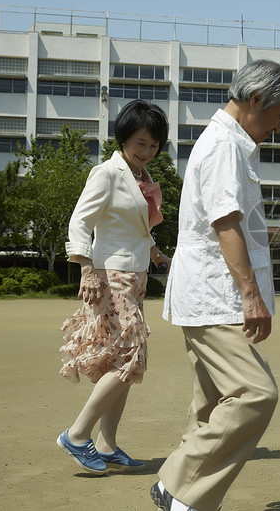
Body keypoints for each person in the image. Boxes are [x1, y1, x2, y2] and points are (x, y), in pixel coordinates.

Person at [150, 59, 280, 511]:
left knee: (211, 402)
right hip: (214, 296)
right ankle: (178, 487)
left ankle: (186, 498)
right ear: (256, 101)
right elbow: (225, 223)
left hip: (211, 295)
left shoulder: (232, 143)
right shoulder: (223, 146)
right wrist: (250, 296)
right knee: (256, 393)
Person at [57, 99, 172, 475]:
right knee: (129, 359)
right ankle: (76, 434)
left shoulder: (141, 180)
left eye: (154, 145)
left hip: (134, 276)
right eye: (141, 142)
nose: (147, 151)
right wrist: (85, 266)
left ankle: (106, 444)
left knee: (120, 361)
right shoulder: (106, 173)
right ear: (124, 138)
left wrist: (156, 253)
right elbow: (79, 222)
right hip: (110, 276)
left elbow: (136, 228)